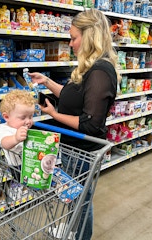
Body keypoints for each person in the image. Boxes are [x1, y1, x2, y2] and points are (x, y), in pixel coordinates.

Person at [28, 9, 120, 240]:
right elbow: (73, 96)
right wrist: (47, 81)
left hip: (83, 153)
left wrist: (53, 114)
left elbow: (89, 124)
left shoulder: (101, 71)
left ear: (90, 36)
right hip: (72, 149)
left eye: (74, 37)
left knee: (81, 201)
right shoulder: (89, 67)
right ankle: (73, 230)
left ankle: (81, 236)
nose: (70, 44)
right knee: (75, 198)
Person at [0, 89, 36, 180]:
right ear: (7, 117)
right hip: (18, 167)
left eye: (31, 116)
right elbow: (4, 143)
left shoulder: (21, 126)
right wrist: (15, 138)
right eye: (23, 117)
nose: (28, 121)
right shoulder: (6, 129)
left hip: (29, 162)